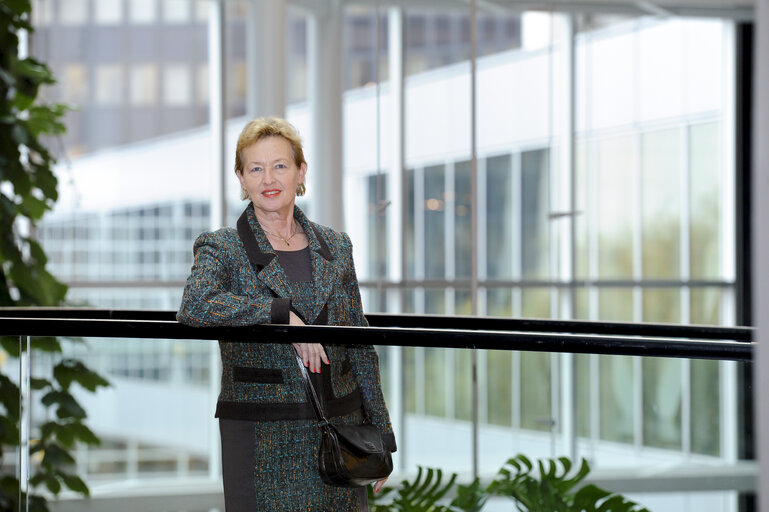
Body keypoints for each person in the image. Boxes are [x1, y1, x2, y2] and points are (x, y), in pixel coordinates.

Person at [177, 117, 396, 511]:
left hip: (342, 431)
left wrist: (381, 432)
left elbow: (360, 342)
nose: (268, 178)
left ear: (301, 172)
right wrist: (282, 317)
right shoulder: (221, 247)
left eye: (280, 165)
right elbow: (195, 305)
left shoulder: (336, 245)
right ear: (241, 179)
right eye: (255, 168)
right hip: (263, 433)